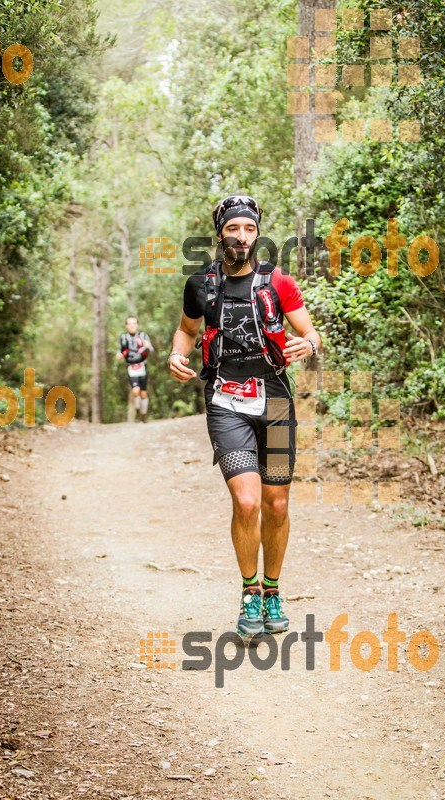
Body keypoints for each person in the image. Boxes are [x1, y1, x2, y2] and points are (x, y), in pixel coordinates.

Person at [168, 194, 321, 639]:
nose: (241, 236)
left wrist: (308, 344)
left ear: (257, 233)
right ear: (220, 232)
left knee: (276, 504)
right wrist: (178, 356)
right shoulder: (201, 285)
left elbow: (309, 332)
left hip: (274, 400)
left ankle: (273, 590)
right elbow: (186, 329)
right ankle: (250, 591)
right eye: (233, 228)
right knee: (248, 501)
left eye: (249, 229)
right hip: (226, 400)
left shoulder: (278, 283)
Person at [116, 316, 153, 422]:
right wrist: (119, 354)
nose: (132, 325)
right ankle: (137, 410)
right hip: (131, 367)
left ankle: (143, 415)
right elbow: (121, 350)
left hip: (143, 366)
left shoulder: (143, 336)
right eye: (129, 323)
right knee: (135, 390)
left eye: (134, 323)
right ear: (126, 326)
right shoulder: (124, 338)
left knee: (143, 393)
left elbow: (151, 350)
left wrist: (148, 346)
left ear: (137, 324)